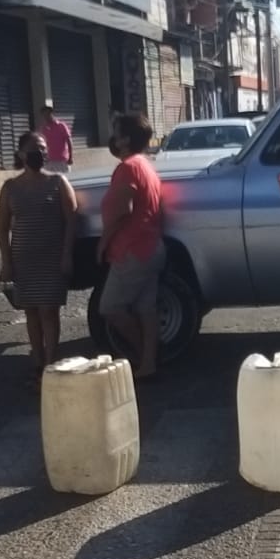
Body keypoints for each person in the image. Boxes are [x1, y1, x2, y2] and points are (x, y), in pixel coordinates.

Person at [0, 132, 78, 384]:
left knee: (48, 311)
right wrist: (7, 262)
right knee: (31, 312)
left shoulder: (58, 182)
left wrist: (67, 254)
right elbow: (2, 228)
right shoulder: (10, 188)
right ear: (21, 154)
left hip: (52, 259)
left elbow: (72, 220)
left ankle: (51, 362)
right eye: (34, 149)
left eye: (43, 149)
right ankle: (37, 362)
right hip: (24, 260)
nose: (40, 154)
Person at [97, 112, 165, 380]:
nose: (112, 137)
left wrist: (103, 243)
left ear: (124, 139)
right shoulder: (144, 164)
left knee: (110, 307)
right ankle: (149, 361)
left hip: (133, 250)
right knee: (145, 309)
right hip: (150, 247)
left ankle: (141, 354)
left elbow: (123, 211)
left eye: (116, 132)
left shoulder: (128, 168)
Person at [39, 102, 74, 174]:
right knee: (49, 183)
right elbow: (42, 145)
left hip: (62, 160)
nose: (46, 116)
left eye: (47, 113)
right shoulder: (43, 128)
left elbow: (69, 141)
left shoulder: (61, 126)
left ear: (51, 113)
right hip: (49, 161)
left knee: (63, 183)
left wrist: (70, 157)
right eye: (44, 114)